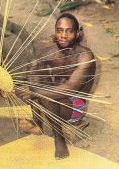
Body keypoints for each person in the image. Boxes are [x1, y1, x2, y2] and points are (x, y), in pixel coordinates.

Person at [16, 13, 96, 159]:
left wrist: (34, 91)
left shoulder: (85, 56)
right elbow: (30, 74)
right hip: (53, 99)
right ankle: (37, 122)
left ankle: (59, 139)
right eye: (60, 30)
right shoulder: (51, 53)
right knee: (34, 67)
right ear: (55, 32)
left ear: (77, 33)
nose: (63, 35)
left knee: (45, 93)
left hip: (73, 107)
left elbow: (70, 88)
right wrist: (11, 87)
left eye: (69, 31)